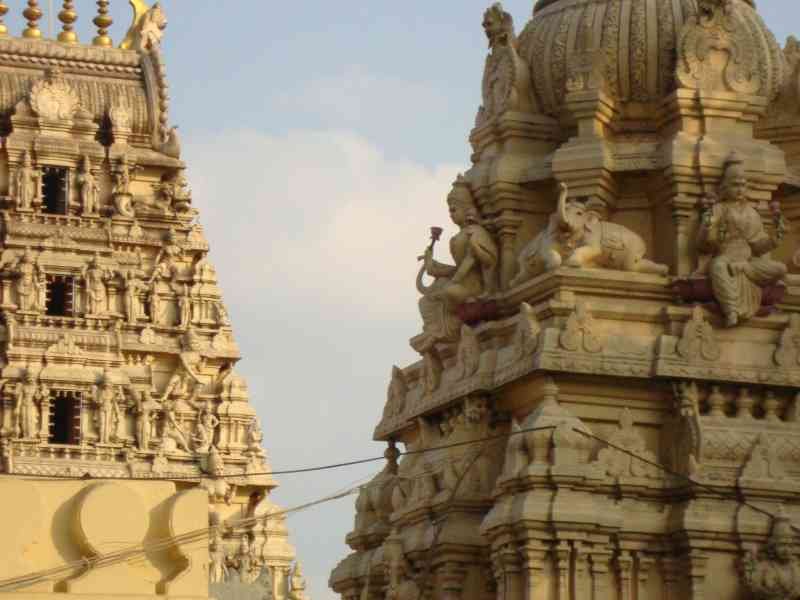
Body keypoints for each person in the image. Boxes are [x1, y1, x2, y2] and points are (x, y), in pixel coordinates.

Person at [698, 153, 787, 327]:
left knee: (781, 269)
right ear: (724, 187)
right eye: (735, 185)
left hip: (748, 263)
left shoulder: (752, 213)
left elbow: (759, 246)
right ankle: (731, 308)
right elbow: (703, 244)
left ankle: (742, 277)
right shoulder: (717, 209)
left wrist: (775, 238)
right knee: (717, 266)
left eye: (742, 185)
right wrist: (710, 229)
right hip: (725, 258)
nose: (739, 190)